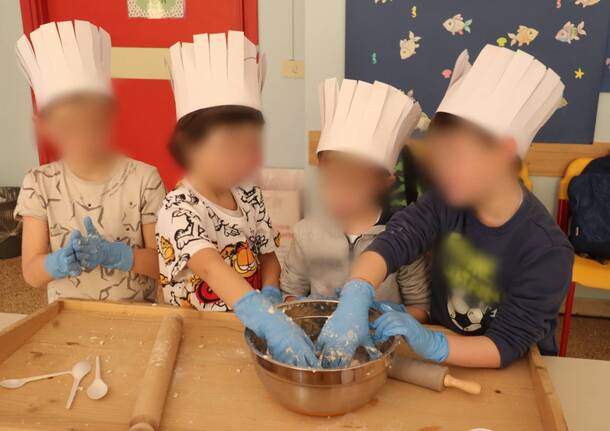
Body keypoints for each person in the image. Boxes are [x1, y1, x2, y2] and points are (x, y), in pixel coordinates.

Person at [316, 45, 574, 369]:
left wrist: (434, 345)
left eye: (455, 156)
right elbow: (397, 238)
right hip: (442, 350)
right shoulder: (447, 201)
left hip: (511, 369)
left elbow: (506, 345)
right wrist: (358, 290)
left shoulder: (547, 252)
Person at [156, 31, 316, 367]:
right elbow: (212, 268)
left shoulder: (248, 194)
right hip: (198, 337)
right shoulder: (178, 209)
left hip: (251, 330)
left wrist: (271, 292)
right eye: (229, 146)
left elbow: (268, 255)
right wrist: (264, 317)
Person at [14, 20, 165, 303]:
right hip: (67, 319)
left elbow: (164, 265)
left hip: (137, 318)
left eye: (91, 122)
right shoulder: (38, 183)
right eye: (67, 126)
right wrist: (55, 263)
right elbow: (31, 274)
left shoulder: (144, 180)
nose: (82, 136)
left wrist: (119, 255)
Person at [281, 78, 429, 322]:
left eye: (353, 184)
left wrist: (381, 317)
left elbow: (420, 307)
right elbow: (290, 292)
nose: (339, 194)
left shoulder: (403, 238)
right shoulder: (306, 233)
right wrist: (309, 311)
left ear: (384, 183)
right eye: (330, 181)